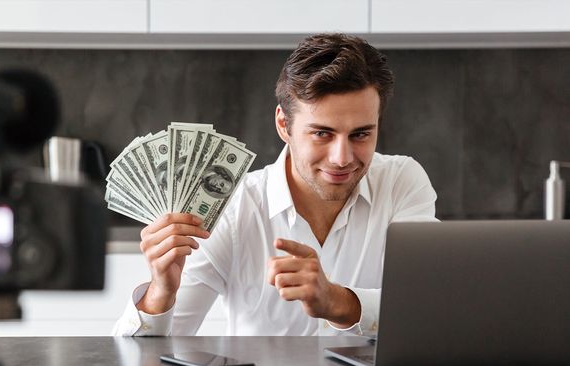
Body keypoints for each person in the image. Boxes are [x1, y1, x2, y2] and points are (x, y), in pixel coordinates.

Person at [113, 33, 437, 336]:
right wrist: (161, 291)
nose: (342, 158)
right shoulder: (231, 206)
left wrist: (338, 302)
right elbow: (139, 361)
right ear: (284, 124)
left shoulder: (401, 182)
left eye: (361, 134)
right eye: (322, 133)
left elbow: (429, 308)